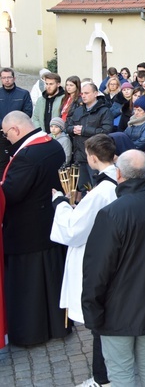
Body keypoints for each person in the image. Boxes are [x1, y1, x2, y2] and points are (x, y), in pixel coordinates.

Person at [81, 150, 145, 386]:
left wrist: (92, 311)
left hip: (117, 309)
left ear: (119, 174)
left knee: (121, 370)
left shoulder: (112, 213)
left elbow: (97, 270)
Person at [50, 134, 118, 387]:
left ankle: (103, 379)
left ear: (91, 157)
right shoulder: (118, 180)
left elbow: (74, 230)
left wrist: (60, 204)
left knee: (99, 321)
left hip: (94, 256)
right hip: (113, 255)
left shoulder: (101, 191)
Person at [1, 111, 68, 346]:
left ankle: (31, 332)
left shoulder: (27, 155)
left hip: (26, 231)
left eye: (6, 133)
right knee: (50, 281)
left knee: (28, 288)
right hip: (49, 225)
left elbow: (10, 193)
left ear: (16, 131)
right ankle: (56, 326)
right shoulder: (52, 144)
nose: (6, 138)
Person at [66, 81, 114, 193]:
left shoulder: (104, 111)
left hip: (96, 156)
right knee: (83, 188)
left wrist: (83, 130)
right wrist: (73, 129)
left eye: (87, 93)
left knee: (96, 188)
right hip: (79, 155)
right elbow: (67, 126)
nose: (83, 96)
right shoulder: (78, 110)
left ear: (96, 93)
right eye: (82, 93)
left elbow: (106, 131)